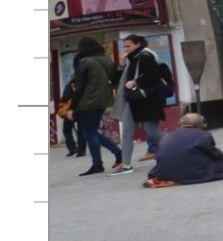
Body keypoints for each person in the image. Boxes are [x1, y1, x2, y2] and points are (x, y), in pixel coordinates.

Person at [109, 34, 166, 175]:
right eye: (125, 46)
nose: (126, 49)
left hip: (146, 100)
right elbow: (117, 80)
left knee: (152, 131)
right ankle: (126, 164)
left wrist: (136, 82)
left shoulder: (145, 56)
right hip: (134, 99)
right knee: (127, 130)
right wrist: (122, 65)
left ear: (138, 44)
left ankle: (179, 145)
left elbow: (153, 76)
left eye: (128, 45)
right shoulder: (131, 59)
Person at [70, 36, 123, 176]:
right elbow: (114, 79)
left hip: (86, 102)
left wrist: (72, 106)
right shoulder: (106, 59)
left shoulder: (83, 62)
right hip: (103, 100)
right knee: (92, 131)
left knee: (90, 133)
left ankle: (98, 164)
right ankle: (117, 152)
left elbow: (80, 86)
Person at [145, 113, 223, 186]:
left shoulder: (167, 137)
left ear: (181, 124)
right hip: (191, 172)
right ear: (200, 124)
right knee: (219, 164)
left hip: (164, 173)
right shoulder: (203, 135)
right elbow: (215, 154)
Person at [59, 78, 84, 158]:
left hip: (70, 110)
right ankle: (81, 150)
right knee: (81, 130)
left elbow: (64, 98)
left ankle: (72, 148)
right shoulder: (84, 84)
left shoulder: (70, 85)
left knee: (66, 129)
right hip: (81, 109)